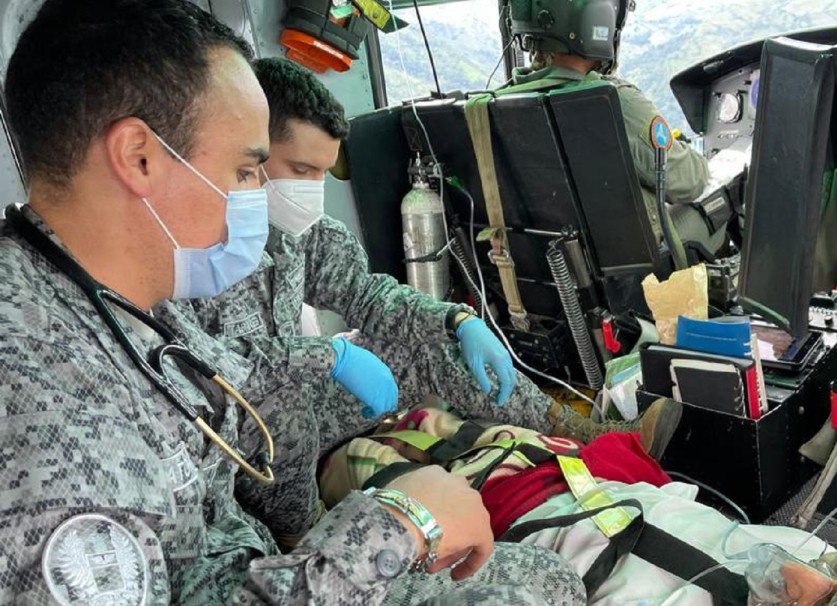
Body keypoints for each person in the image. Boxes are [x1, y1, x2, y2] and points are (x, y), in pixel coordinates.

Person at [0, 1, 586, 604]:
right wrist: (393, 526)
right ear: (139, 158)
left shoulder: (125, 297)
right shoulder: (40, 395)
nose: (261, 194)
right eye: (248, 169)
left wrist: (454, 320)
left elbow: (334, 315)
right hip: (261, 557)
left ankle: (567, 425)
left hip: (240, 555)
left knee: (545, 578)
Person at [160, 55, 682, 466]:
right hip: (241, 432)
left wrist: (454, 320)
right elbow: (201, 369)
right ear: (251, 151)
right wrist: (330, 359)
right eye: (300, 168)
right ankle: (299, 529)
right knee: (288, 408)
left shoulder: (307, 235)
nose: (312, 190)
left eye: (323, 172)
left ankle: (579, 430)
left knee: (431, 340)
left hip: (301, 400)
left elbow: (368, 296)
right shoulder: (190, 245)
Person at [320, 405, 837, 606]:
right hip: (554, 465)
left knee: (337, 461)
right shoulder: (809, 559)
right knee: (420, 415)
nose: (801, 572)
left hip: (482, 521)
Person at [502, 0, 723, 255]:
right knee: (722, 197)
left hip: (541, 270)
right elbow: (690, 181)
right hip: (626, 274)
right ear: (597, 20)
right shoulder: (613, 102)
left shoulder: (489, 108)